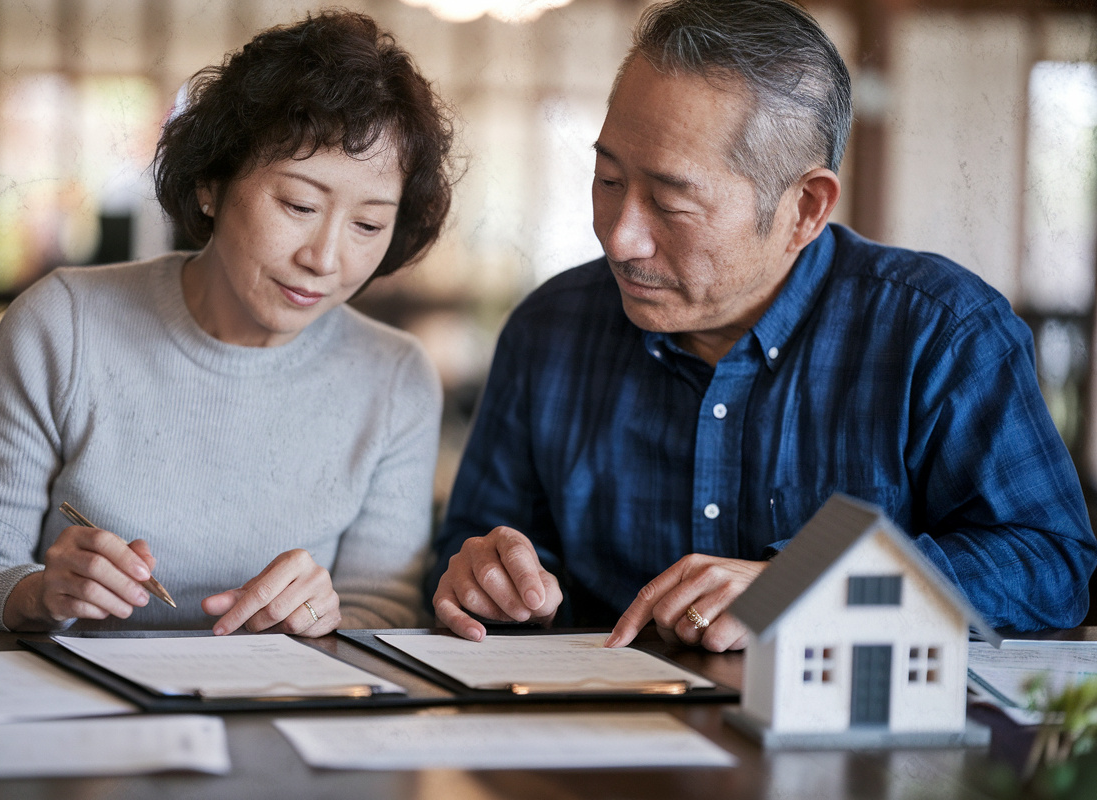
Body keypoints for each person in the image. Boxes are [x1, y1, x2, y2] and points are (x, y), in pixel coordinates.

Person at [430, 0, 1097, 651]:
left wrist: (808, 587)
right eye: (607, 179)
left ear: (806, 207)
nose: (621, 238)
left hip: (854, 754)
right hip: (601, 741)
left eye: (669, 201)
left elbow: (1050, 565)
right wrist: (489, 581)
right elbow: (470, 547)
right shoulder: (550, 330)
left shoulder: (938, 333)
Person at [0, 10, 455, 635]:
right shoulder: (63, 327)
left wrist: (329, 620)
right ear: (210, 185)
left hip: (282, 712)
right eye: (299, 204)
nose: (325, 259)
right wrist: (37, 593)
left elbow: (382, 617)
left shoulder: (395, 378)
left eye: (367, 225)